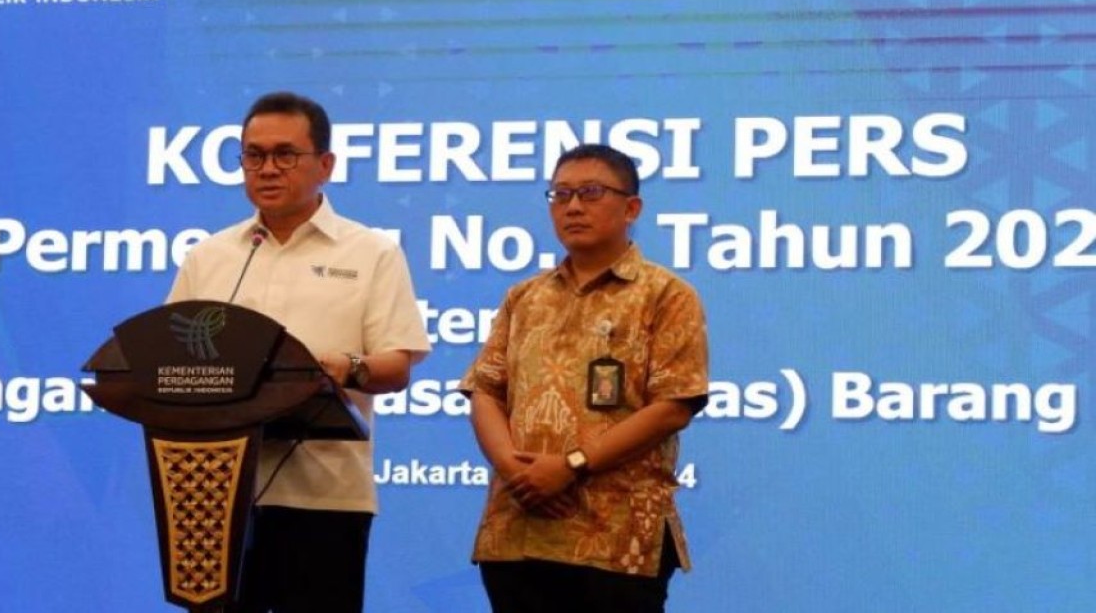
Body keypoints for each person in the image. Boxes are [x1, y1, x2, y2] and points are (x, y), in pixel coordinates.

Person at [165, 91, 431, 613]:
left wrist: (343, 368)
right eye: (253, 155)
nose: (267, 169)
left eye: (286, 154)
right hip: (214, 496)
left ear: (325, 165)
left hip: (325, 495)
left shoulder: (371, 251)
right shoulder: (209, 256)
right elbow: (168, 364)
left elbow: (396, 364)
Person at [460, 143, 709, 613]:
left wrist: (570, 466)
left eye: (591, 193)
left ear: (632, 207)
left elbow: (674, 406)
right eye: (560, 194)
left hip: (614, 537)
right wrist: (515, 472)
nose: (573, 206)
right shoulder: (524, 297)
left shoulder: (667, 295)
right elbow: (485, 390)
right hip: (517, 530)